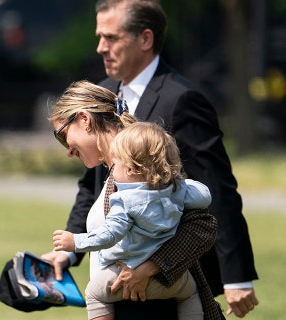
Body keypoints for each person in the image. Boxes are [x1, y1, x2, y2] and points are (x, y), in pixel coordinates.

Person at [48, 0, 260, 318]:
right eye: (99, 37)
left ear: (145, 39)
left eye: (111, 38)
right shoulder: (103, 96)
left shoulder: (181, 100)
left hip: (168, 285)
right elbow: (90, 188)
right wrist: (68, 253)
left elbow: (217, 190)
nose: (100, 48)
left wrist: (236, 275)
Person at [43, 80, 222, 319]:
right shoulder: (114, 168)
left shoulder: (141, 164)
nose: (67, 150)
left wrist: (148, 269)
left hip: (154, 310)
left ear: (84, 120)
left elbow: (202, 227)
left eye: (63, 136)